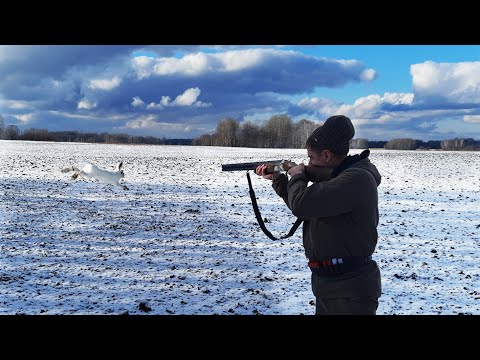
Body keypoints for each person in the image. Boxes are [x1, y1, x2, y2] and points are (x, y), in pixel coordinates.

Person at [255, 115, 382, 315]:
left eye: (311, 158)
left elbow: (303, 205)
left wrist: (297, 175)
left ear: (326, 155)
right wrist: (279, 180)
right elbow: (308, 205)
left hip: (349, 290)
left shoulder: (356, 179)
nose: (308, 163)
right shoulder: (341, 177)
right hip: (330, 285)